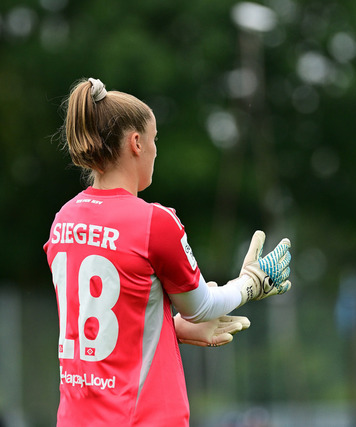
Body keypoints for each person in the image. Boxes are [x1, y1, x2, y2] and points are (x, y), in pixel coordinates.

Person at [43, 78, 292, 426]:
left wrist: (169, 328)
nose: (155, 150)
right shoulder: (153, 222)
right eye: (154, 139)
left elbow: (102, 322)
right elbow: (201, 306)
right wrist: (251, 283)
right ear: (136, 143)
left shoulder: (63, 220)